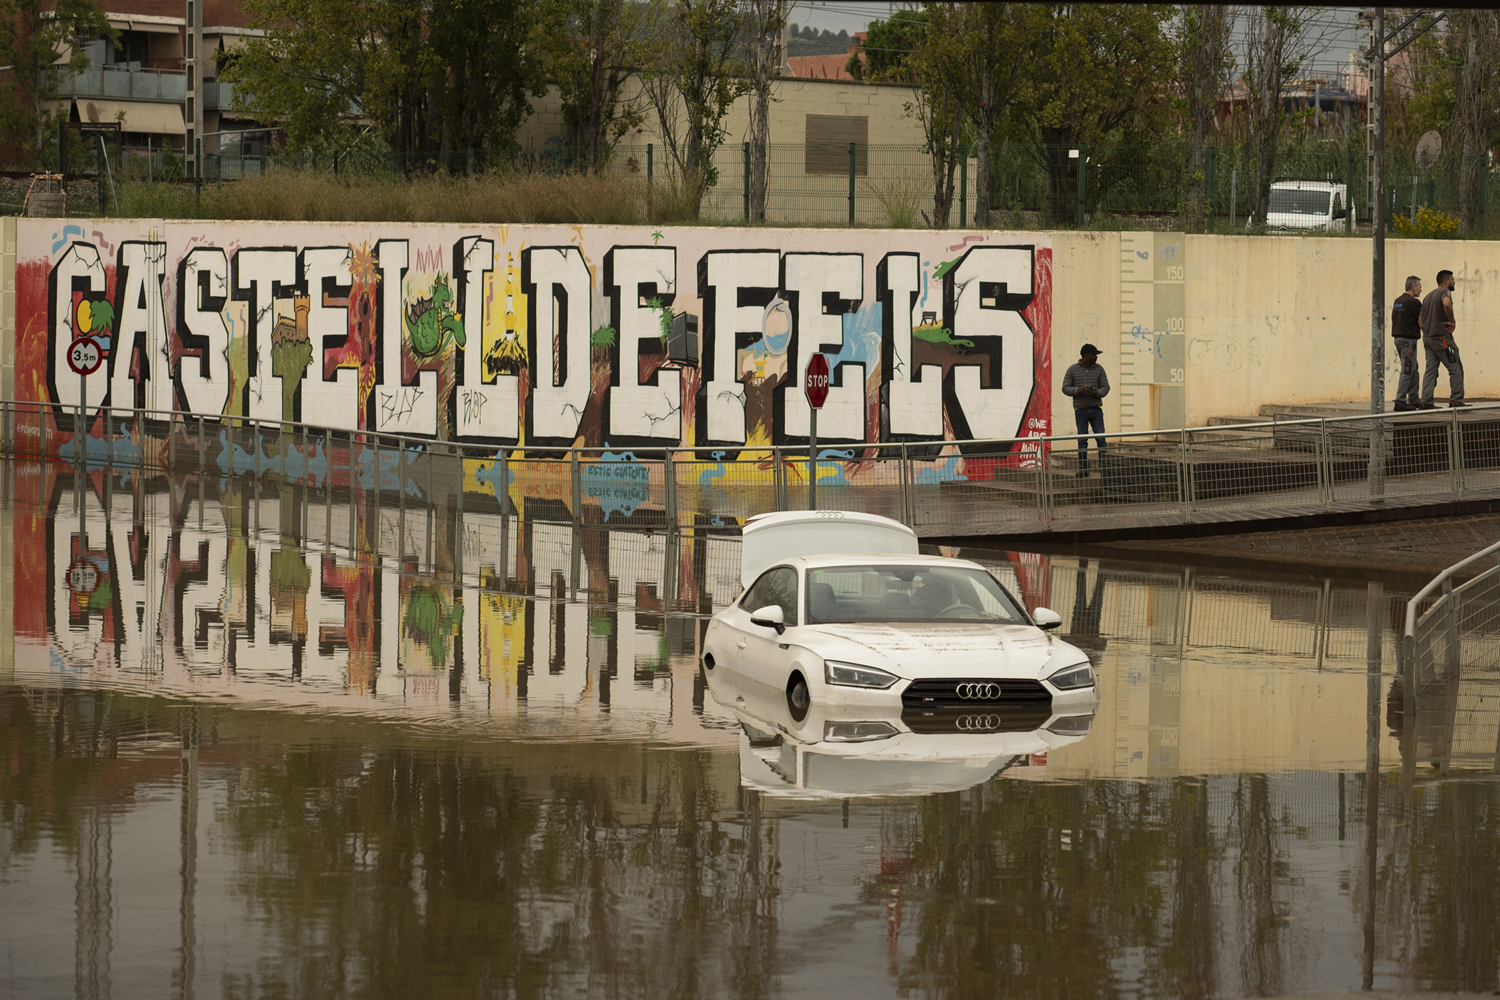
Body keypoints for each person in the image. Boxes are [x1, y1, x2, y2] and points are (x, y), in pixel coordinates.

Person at [1062, 343, 1110, 477]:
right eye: (1094, 354)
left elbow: (1106, 387)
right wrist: (1079, 390)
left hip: (1096, 409)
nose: (1096, 357)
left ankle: (1105, 469)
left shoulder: (1099, 369)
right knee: (1082, 440)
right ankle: (1083, 468)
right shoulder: (1072, 370)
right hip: (1080, 410)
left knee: (1101, 439)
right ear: (1086, 355)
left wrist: (1096, 393)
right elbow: (1065, 388)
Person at [1419, 269, 1464, 409]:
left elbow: (1420, 319)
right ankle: (1456, 400)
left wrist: (1426, 330)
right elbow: (1446, 304)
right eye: (1452, 279)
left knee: (1430, 370)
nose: (1454, 282)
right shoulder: (1445, 292)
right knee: (1455, 366)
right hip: (1441, 338)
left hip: (1428, 339)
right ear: (1446, 281)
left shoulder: (1428, 296)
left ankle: (1426, 401)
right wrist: (1452, 321)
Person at [1391, 275, 1423, 411]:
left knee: (1413, 368)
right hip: (1408, 341)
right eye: (1420, 287)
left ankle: (1414, 398)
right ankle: (1400, 402)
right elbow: (1422, 321)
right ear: (1413, 287)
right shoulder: (1414, 303)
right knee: (1408, 370)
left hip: (1398, 340)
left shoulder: (1398, 301)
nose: (1421, 290)